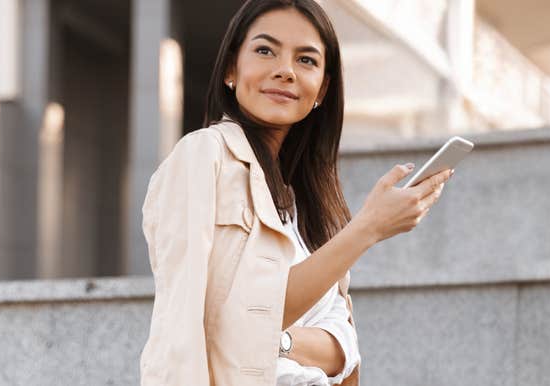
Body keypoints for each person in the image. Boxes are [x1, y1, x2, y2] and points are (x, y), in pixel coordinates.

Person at [139, 1, 453, 385]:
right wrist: (368, 228)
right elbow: (185, 327)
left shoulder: (304, 205)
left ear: (322, 89)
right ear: (230, 70)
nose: (285, 70)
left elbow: (344, 348)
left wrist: (279, 340)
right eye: (265, 50)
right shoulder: (204, 154)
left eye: (306, 60)